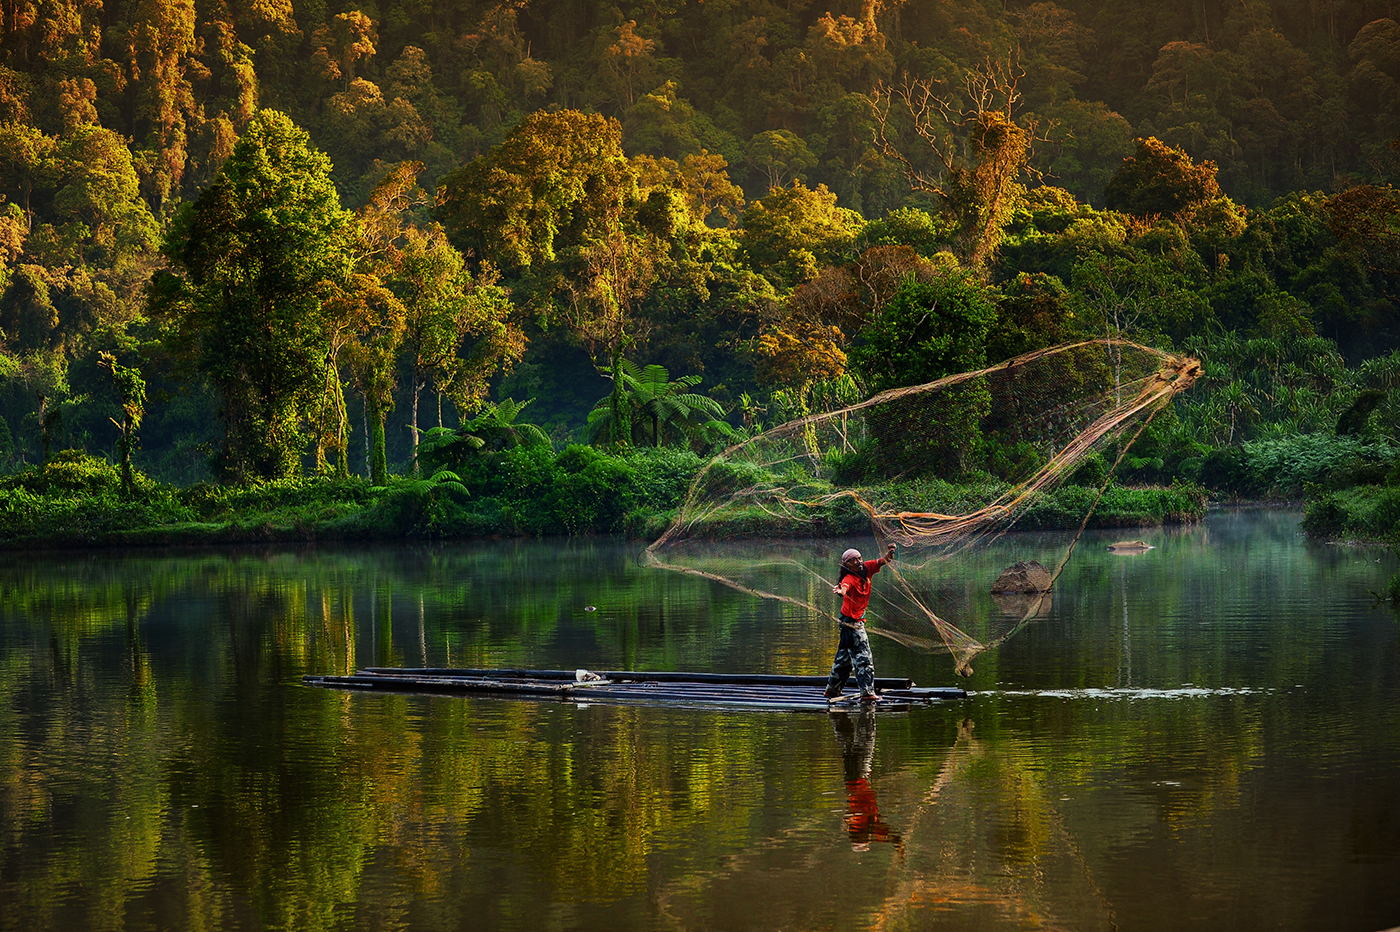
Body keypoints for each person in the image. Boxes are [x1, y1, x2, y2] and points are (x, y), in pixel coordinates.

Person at [826, 542, 896, 702]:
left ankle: (832, 690)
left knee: (844, 658)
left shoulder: (867, 569)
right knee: (864, 657)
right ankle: (867, 693)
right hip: (851, 623)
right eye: (854, 560)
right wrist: (840, 591)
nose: (858, 562)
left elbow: (884, 561)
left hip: (850, 621)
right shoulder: (849, 578)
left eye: (859, 558)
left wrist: (890, 553)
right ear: (847, 564)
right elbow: (844, 587)